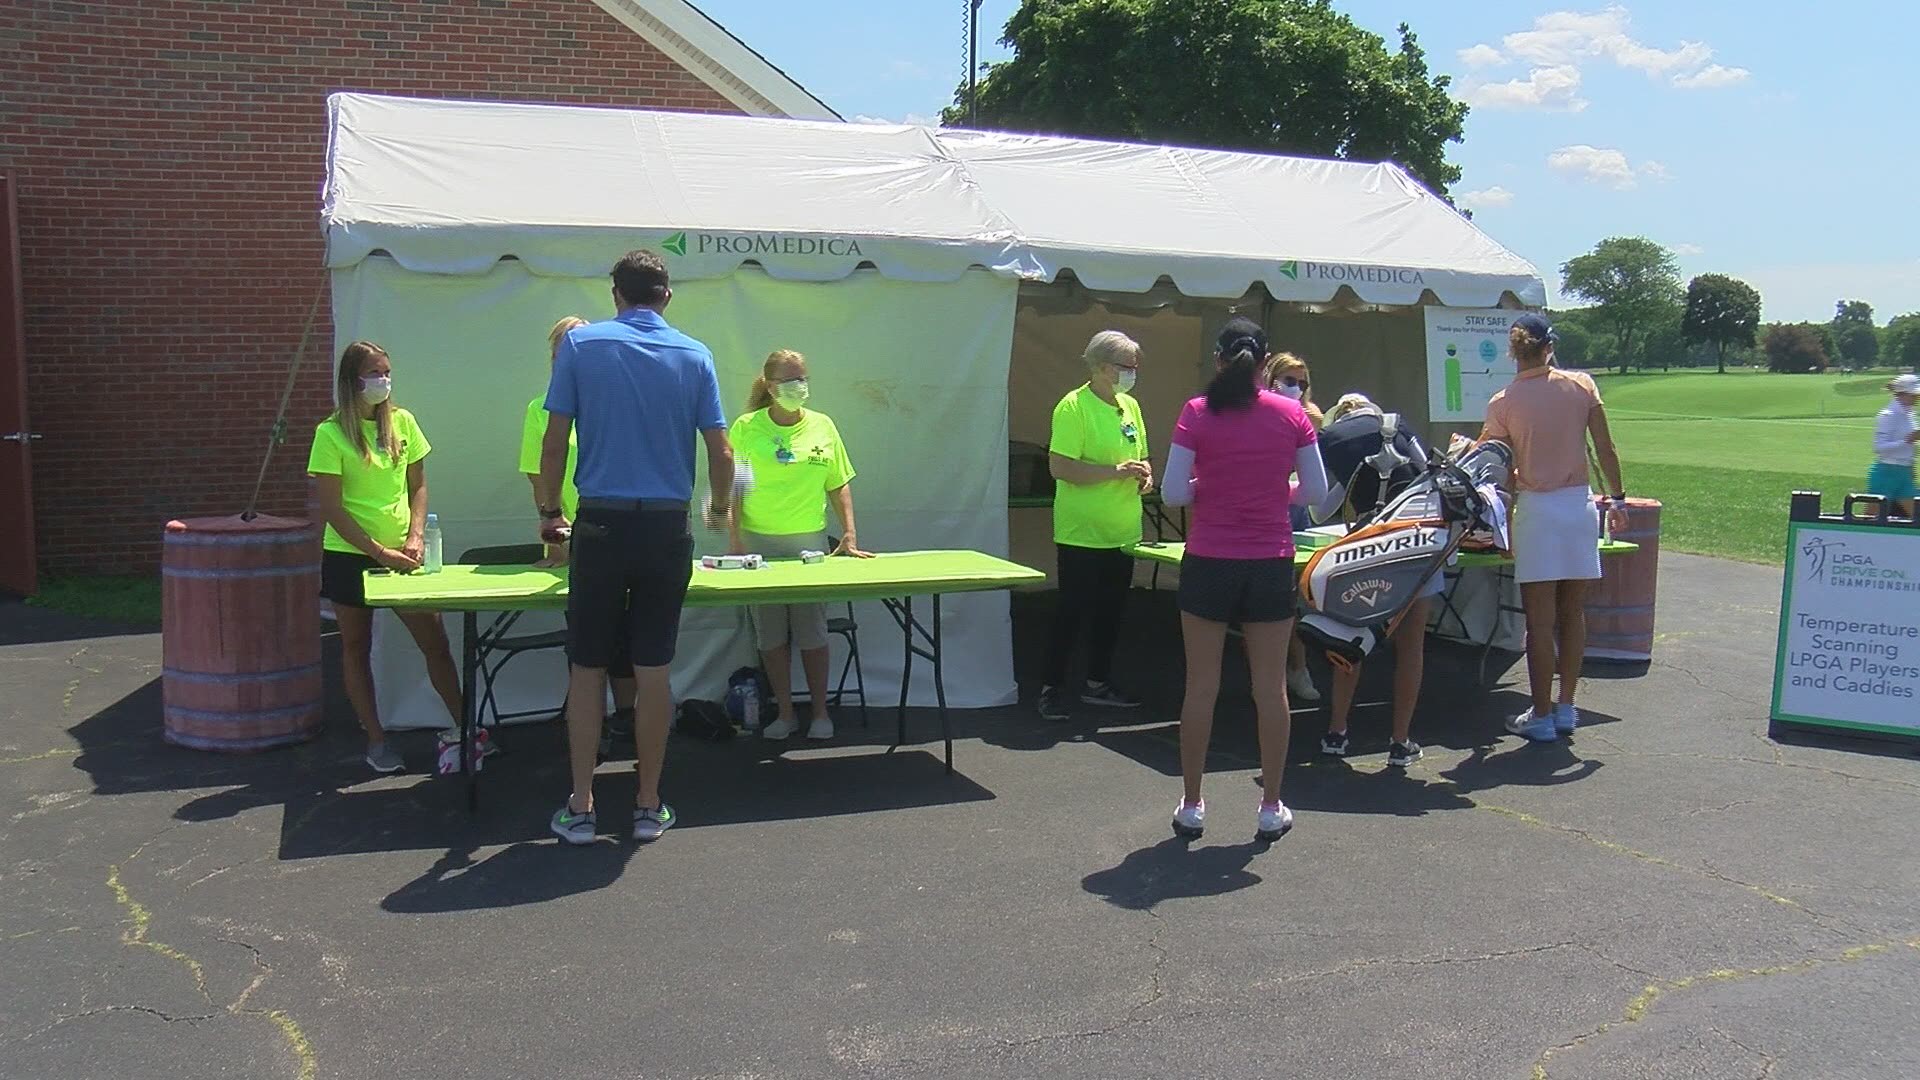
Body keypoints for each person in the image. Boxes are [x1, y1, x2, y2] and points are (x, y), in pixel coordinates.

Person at [536, 249, 733, 845]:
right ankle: (648, 803)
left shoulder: (580, 346)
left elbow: (553, 442)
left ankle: (581, 803)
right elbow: (721, 453)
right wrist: (721, 508)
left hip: (599, 523)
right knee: (653, 670)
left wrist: (550, 512)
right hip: (665, 527)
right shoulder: (695, 353)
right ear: (666, 295)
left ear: (615, 294)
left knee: (588, 667)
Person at [1161, 318, 1328, 841]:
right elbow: (1317, 490)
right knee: (1270, 687)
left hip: (1210, 558)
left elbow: (1172, 493)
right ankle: (1270, 804)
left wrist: (1208, 483)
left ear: (1218, 359)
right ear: (1264, 364)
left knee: (1201, 686)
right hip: (1269, 560)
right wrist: (1275, 491)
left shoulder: (1196, 412)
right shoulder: (1291, 413)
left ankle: (1192, 803)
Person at [308, 341, 464, 774]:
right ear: (352, 381)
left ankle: (465, 727)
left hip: (403, 554)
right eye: (375, 374)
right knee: (355, 646)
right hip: (349, 555)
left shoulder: (404, 422)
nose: (384, 382)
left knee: (436, 643)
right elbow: (332, 508)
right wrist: (379, 552)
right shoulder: (330, 433)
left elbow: (418, 484)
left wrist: (414, 537)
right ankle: (376, 740)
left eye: (387, 372)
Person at [1480, 314, 1626, 743]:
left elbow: (1498, 468)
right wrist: (1617, 498)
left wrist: (1502, 522)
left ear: (1514, 352)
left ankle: (1542, 713)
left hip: (1538, 510)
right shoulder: (1580, 385)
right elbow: (1605, 446)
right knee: (1572, 614)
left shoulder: (1502, 401)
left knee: (1540, 622)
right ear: (1550, 346)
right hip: (1578, 506)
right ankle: (1565, 707)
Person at [727, 349, 871, 741]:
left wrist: (849, 532)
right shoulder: (746, 426)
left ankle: (821, 712)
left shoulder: (823, 425)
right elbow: (736, 484)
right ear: (771, 387)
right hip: (760, 544)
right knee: (770, 635)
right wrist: (735, 537)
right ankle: (785, 712)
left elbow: (838, 482)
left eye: (803, 379)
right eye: (791, 381)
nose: (799, 387)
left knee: (812, 632)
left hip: (809, 542)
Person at [520, 315, 638, 749]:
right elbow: (538, 474)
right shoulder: (540, 408)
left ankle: (627, 719)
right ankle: (592, 726)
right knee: (586, 637)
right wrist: (556, 532)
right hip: (568, 535)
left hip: (615, 529)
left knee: (624, 634)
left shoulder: (614, 399)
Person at [1305, 394, 1434, 767]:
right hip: (1415, 544)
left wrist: (1349, 484)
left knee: (1349, 641)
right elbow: (1429, 476)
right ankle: (1400, 740)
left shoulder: (1330, 439)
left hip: (1364, 551)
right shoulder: (1397, 424)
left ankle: (1337, 732)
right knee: (1411, 648)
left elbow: (1318, 509)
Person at [1039, 331, 1152, 722]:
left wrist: (1143, 473)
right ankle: (1051, 687)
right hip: (1081, 532)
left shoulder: (1130, 406)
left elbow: (1141, 455)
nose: (1133, 374)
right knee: (1071, 611)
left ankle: (1097, 683)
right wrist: (1113, 472)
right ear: (1102, 367)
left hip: (1122, 531)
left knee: (1112, 612)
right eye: (1127, 367)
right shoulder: (1073, 407)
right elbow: (1060, 467)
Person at [1263, 352, 1324, 705]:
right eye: (1288, 380)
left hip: (1296, 507)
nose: (1296, 389)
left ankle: (1297, 669)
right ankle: (1284, 671)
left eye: (1302, 383)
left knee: (1296, 596)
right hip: (1266, 507)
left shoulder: (1308, 414)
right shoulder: (1257, 412)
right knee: (1274, 599)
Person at [1867, 373, 1920, 517]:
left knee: (1917, 516)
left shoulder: (1909, 415)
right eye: (1914, 395)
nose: (1917, 398)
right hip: (1886, 473)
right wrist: (1907, 441)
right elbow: (1878, 447)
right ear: (1903, 394)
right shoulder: (1888, 415)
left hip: (1904, 473)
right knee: (1870, 521)